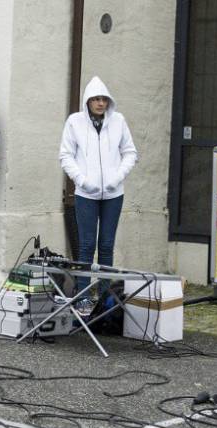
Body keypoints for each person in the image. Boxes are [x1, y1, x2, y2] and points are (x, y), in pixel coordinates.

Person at [58, 76, 138, 315]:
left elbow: (130, 153)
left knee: (106, 245)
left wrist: (117, 178)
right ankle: (82, 297)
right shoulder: (75, 122)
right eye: (95, 99)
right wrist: (82, 181)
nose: (100, 103)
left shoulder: (118, 121)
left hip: (114, 194)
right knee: (85, 245)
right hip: (86, 194)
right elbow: (65, 156)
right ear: (88, 101)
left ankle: (105, 298)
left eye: (104, 99)